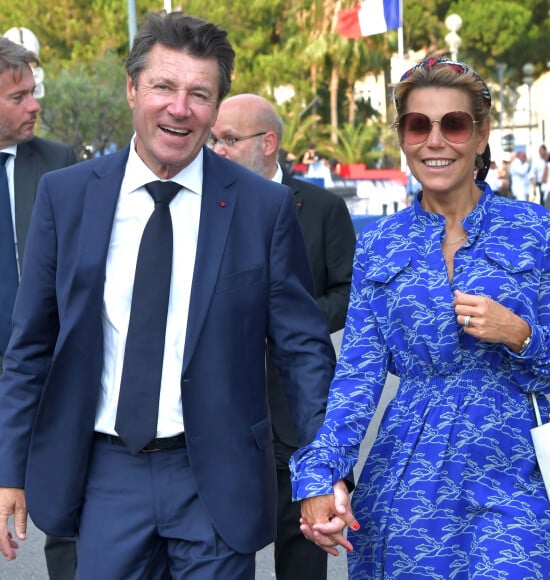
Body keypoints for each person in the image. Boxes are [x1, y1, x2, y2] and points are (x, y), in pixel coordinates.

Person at [0, 11, 336, 579]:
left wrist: (322, 470)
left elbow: (303, 353)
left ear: (216, 107)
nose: (180, 108)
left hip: (217, 479)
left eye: (199, 94)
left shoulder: (262, 209)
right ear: (132, 89)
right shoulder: (68, 197)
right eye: (163, 86)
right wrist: (10, 470)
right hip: (106, 475)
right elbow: (31, 346)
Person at [291, 57, 550, 579]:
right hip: (410, 478)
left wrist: (518, 334)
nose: (435, 140)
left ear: (481, 133)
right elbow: (357, 377)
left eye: (455, 123)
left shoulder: (532, 229)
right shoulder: (379, 244)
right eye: (418, 124)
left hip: (514, 474)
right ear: (403, 135)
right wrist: (319, 474)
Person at [210, 93, 356, 580]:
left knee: (302, 557)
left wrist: (291, 319)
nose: (217, 149)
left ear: (268, 142)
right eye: (214, 139)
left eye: (228, 139)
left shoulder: (321, 207)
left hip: (297, 419)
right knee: (223, 555)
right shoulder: (205, 205)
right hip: (227, 419)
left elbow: (349, 290)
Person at [0, 36, 78, 580]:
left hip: (49, 375)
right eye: (18, 96)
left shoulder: (57, 164)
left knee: (67, 521)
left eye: (33, 92)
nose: (34, 106)